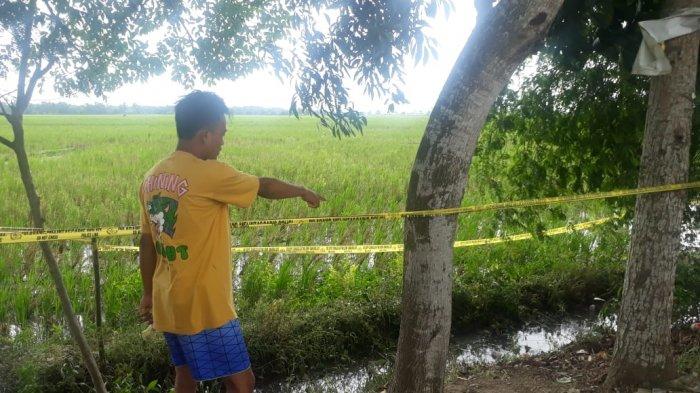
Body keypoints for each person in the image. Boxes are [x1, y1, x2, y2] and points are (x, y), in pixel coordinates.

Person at [138, 90, 324, 393]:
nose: (223, 142)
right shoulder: (208, 173)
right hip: (205, 305)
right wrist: (302, 190)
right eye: (221, 134)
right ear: (204, 134)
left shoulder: (151, 178)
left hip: (168, 303)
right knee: (241, 382)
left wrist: (147, 293)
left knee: (184, 376)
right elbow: (262, 186)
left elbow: (147, 241)